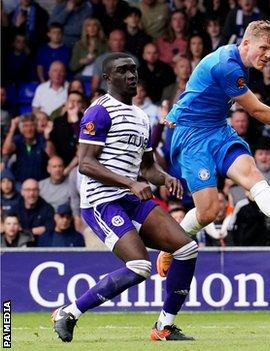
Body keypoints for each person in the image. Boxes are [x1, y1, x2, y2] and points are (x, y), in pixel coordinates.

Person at [51, 53, 197, 342]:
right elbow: (86, 164)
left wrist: (165, 178)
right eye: (123, 71)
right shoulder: (98, 112)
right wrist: (131, 183)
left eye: (133, 70)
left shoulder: (142, 117)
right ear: (108, 79)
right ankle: (69, 312)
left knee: (187, 248)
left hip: (130, 197)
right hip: (101, 201)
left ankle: (164, 327)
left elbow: (146, 167)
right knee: (140, 266)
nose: (131, 75)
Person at [158, 21, 270, 276]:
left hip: (219, 129)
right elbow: (255, 110)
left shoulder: (241, 61)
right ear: (245, 43)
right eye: (263, 48)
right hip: (192, 137)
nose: (267, 55)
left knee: (253, 176)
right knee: (209, 212)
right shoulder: (227, 66)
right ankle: (170, 246)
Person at [2, 114, 51, 182]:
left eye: (31, 125)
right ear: (21, 129)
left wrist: (47, 138)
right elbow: (5, 151)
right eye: (25, 126)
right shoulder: (18, 139)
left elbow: (53, 157)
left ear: (35, 127)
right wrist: (12, 128)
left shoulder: (42, 139)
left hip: (41, 182)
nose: (29, 129)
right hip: (21, 184)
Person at [16, 179, 55, 245]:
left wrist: (23, 231)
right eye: (28, 190)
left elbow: (50, 228)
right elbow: (13, 230)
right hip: (19, 245)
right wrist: (32, 231)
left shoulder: (48, 209)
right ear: (22, 192)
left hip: (41, 246)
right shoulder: (15, 208)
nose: (32, 193)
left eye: (35, 190)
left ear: (39, 191)